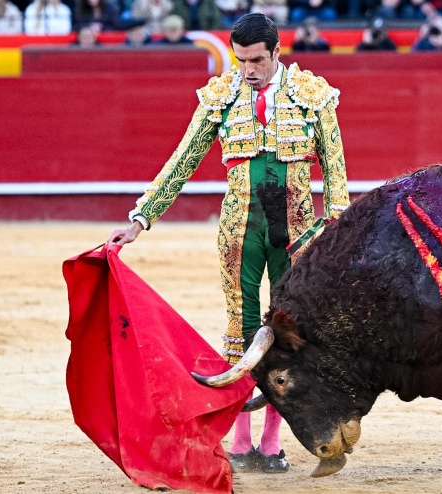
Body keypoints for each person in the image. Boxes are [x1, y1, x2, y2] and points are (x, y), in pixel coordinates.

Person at [106, 12, 350, 474]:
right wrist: (140, 219)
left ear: (277, 52)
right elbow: (182, 162)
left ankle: (274, 441)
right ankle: (240, 439)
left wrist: (336, 230)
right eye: (241, 61)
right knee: (241, 329)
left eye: (257, 60)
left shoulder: (312, 95)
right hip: (240, 231)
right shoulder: (221, 96)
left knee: (287, 334)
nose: (249, 70)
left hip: (295, 235)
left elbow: (335, 173)